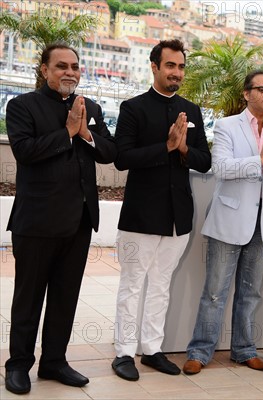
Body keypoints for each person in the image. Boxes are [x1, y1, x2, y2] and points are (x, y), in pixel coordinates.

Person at [4, 43, 117, 395]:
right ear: (44, 70)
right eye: (61, 66)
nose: (70, 72)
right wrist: (67, 133)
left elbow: (110, 152)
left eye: (75, 67)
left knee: (66, 297)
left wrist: (84, 132)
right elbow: (24, 152)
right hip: (37, 222)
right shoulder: (22, 106)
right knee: (29, 298)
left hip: (79, 221)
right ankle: (19, 365)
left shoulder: (90, 108)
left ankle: (54, 361)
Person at [182, 70, 263, 374]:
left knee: (251, 292)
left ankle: (243, 349)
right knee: (215, 292)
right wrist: (260, 160)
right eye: (262, 89)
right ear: (246, 94)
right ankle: (199, 351)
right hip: (229, 220)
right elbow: (220, 167)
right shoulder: (226, 125)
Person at [111, 39, 211, 381]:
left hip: (178, 217)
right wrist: (165, 146)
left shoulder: (192, 110)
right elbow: (122, 158)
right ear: (154, 66)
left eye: (181, 67)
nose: (177, 73)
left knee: (161, 285)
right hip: (141, 215)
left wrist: (183, 149)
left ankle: (152, 349)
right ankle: (124, 352)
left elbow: (204, 159)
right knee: (132, 284)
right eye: (170, 66)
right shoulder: (133, 108)